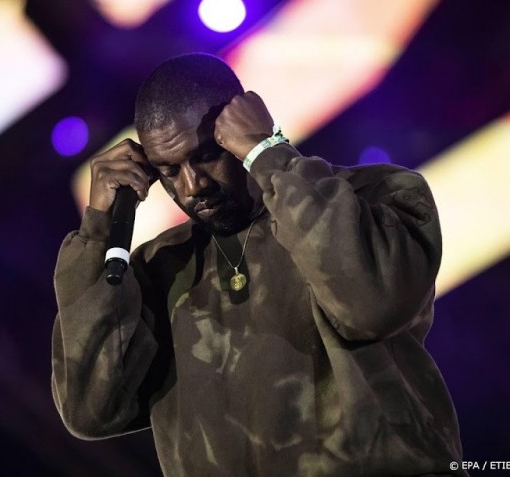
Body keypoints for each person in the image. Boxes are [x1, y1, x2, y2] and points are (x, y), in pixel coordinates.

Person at [52, 53, 466, 476]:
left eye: (208, 154)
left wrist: (270, 154)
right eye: (169, 171)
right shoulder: (157, 268)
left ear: (240, 127)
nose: (193, 186)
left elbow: (372, 303)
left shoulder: (376, 194)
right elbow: (90, 412)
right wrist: (97, 232)